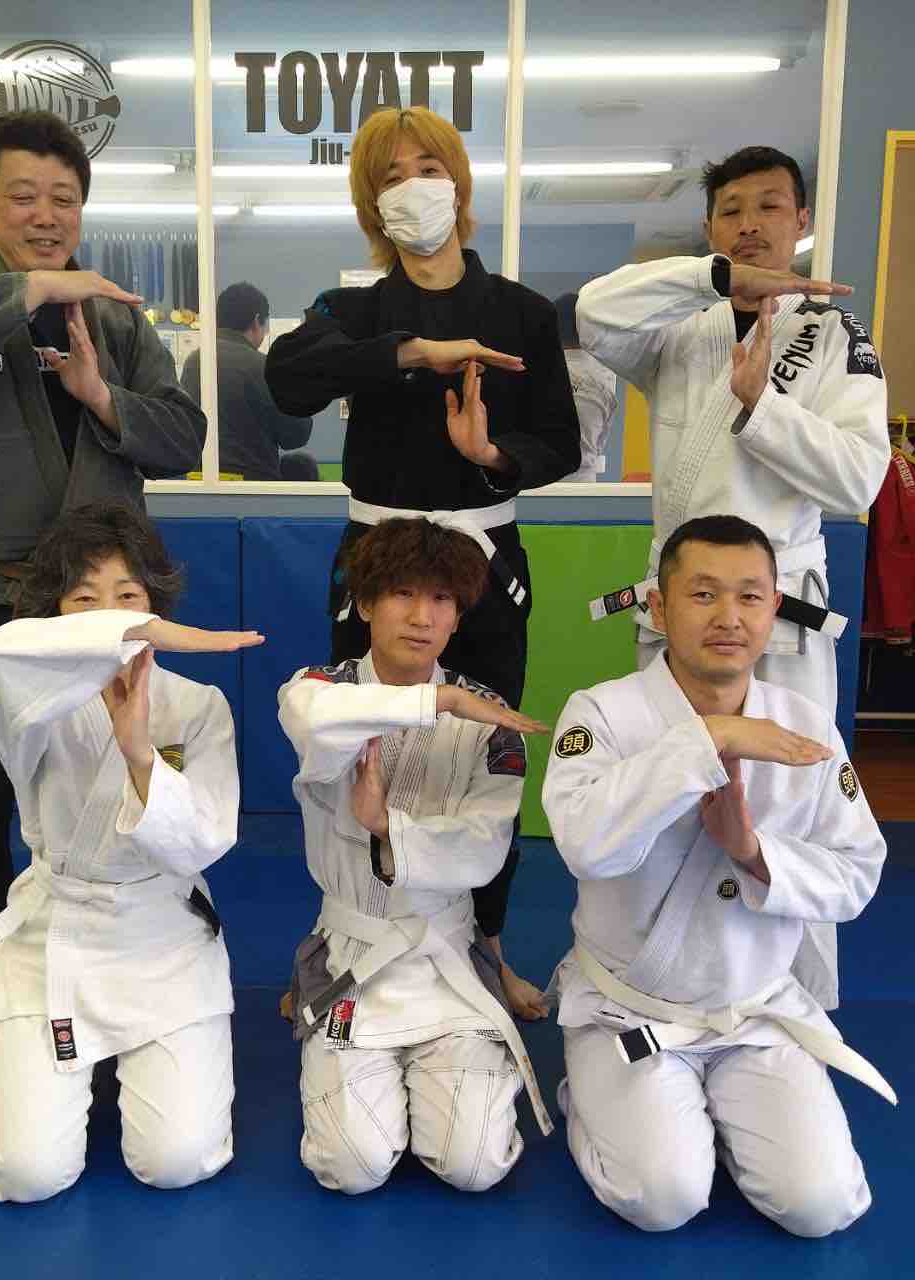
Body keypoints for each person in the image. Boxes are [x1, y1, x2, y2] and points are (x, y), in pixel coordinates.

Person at [0, 110, 207, 1047]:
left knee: (115, 770)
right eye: (23, 196)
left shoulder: (116, 316)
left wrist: (100, 395)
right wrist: (28, 290)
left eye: (64, 198)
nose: (46, 214)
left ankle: (127, 945)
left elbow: (183, 440)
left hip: (101, 607)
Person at [267, 106, 580, 1018]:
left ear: (460, 181)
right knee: (356, 741)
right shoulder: (352, 312)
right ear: (372, 203)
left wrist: (492, 454)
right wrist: (412, 353)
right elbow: (288, 379)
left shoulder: (521, 311)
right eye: (392, 177)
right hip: (377, 558)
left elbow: (560, 440)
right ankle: (340, 934)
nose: (414, 189)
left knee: (487, 747)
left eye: (429, 169)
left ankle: (486, 944)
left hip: (483, 555)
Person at [576, 145, 891, 1009]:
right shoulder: (682, 326)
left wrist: (764, 408)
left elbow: (860, 480)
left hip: (777, 615)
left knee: (792, 797)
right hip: (679, 606)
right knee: (667, 784)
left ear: (802, 221)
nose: (750, 224)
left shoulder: (834, 336)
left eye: (770, 206)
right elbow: (596, 313)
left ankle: (795, 995)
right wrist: (712, 280)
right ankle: (657, 973)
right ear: (712, 229)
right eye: (731, 210)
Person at [543, 515, 893, 1238]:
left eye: (750, 596)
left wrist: (753, 853)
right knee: (662, 1200)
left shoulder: (807, 728)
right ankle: (594, 1092)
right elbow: (585, 846)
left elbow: (857, 872)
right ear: (659, 606)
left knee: (821, 1206)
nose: (729, 617)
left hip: (752, 1010)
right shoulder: (602, 714)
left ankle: (712, 1122)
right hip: (630, 1012)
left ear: (775, 608)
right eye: (703, 595)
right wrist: (709, 739)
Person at [0, 501, 263, 1202]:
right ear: (52, 612)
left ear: (156, 600)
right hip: (58, 934)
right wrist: (133, 632)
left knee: (179, 1161)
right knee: (25, 1175)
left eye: (129, 596)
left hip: (162, 934)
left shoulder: (197, 706)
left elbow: (203, 841)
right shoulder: (31, 703)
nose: (109, 616)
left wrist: (139, 753)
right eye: (84, 599)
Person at [278, 518, 555, 1194]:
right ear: (365, 605)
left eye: (441, 599)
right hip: (353, 959)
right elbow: (313, 722)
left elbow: (484, 850)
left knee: (474, 1166)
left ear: (459, 616)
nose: (421, 616)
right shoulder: (318, 688)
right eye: (402, 594)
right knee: (352, 1167)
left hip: (445, 959)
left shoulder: (489, 719)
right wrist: (436, 701)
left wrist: (387, 828)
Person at [180, 281, 317, 481]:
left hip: (198, 482)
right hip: (252, 487)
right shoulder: (262, 366)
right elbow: (295, 436)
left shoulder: (194, 362)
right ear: (256, 320)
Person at [554, 290, 617, 482]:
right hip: (584, 485)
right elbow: (601, 440)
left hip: (540, 485)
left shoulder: (535, 373)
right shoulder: (605, 378)